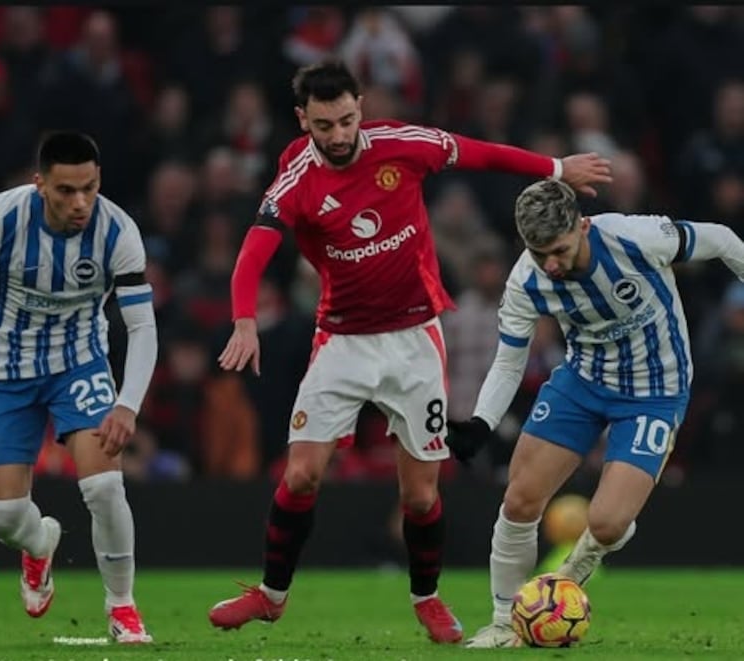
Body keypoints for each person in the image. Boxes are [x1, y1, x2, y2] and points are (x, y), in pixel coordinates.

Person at [207, 58, 611, 644]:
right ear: (303, 121)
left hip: (414, 338)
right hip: (342, 339)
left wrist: (555, 168)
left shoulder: (403, 144)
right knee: (299, 477)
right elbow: (254, 249)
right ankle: (271, 597)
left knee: (420, 493)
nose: (339, 135)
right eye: (324, 125)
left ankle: (426, 599)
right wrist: (244, 321)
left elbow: (479, 153)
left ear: (360, 107)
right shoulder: (295, 180)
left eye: (346, 119)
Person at [445, 178, 744, 648]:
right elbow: (509, 360)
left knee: (606, 523)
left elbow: (723, 240)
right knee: (520, 499)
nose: (551, 263)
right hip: (582, 384)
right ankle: (505, 622)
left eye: (559, 250)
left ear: (582, 226)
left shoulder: (635, 237)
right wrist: (481, 422)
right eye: (538, 251)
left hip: (656, 393)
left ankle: (572, 570)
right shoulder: (527, 279)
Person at [0, 131, 157, 643]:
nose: (80, 203)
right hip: (1, 374)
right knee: (4, 516)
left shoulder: (118, 231)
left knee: (104, 485)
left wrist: (127, 403)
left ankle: (122, 607)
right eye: (66, 191)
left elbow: (142, 327)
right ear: (40, 186)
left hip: (77, 365)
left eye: (89, 188)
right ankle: (38, 545)